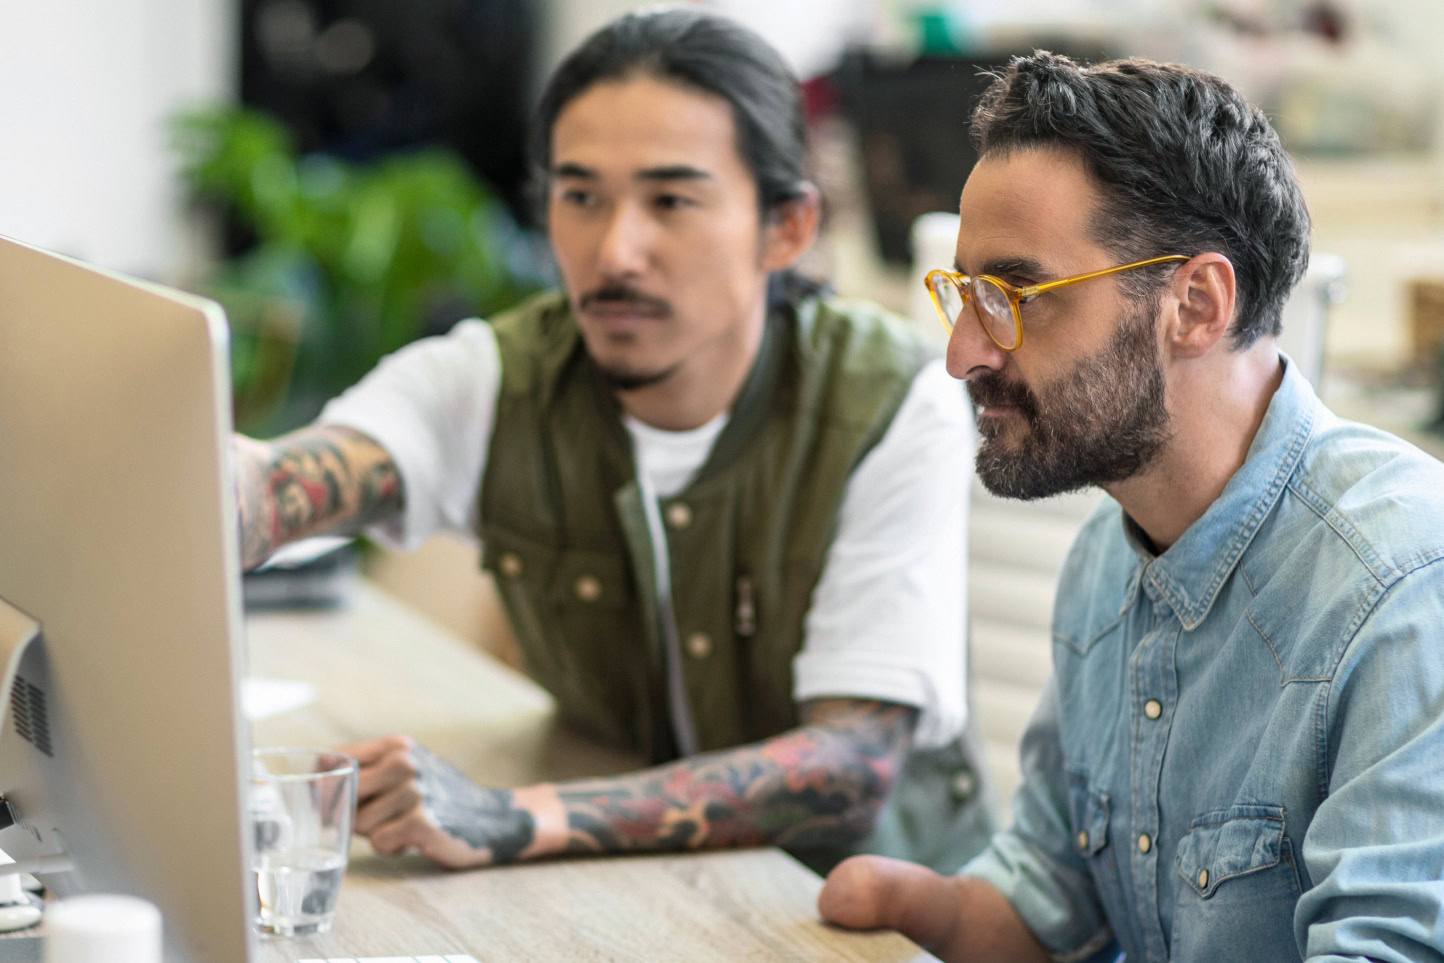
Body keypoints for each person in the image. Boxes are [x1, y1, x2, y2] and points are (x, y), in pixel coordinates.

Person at [233, 8, 995, 875]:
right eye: (580, 196)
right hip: (634, 882)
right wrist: (211, 482)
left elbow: (850, 765)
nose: (615, 250)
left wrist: (511, 818)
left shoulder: (892, 399)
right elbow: (281, 480)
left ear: (787, 226)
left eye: (671, 200)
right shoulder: (497, 378)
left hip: (867, 911)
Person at [818, 52, 1444, 962]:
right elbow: (1051, 905)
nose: (961, 354)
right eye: (964, 294)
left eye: (1013, 296)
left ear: (1194, 304)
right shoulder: (1106, 565)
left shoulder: (1406, 589)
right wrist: (913, 903)